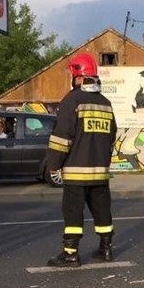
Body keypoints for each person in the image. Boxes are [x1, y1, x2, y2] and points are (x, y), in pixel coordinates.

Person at [46, 52, 117, 266]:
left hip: (76, 171)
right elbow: (112, 136)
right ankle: (105, 249)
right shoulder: (105, 103)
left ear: (77, 76)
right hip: (100, 172)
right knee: (102, 210)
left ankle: (70, 253)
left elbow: (62, 137)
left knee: (73, 212)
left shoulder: (72, 100)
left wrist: (53, 165)